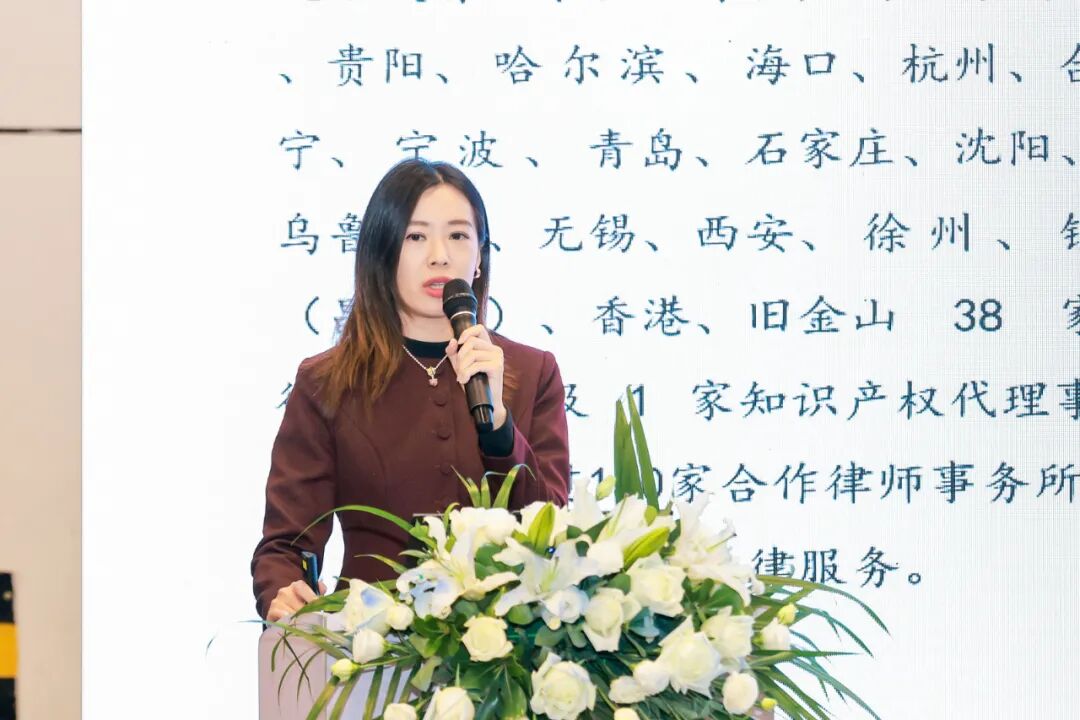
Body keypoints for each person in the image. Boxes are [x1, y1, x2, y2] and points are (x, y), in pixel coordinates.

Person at [251, 158, 571, 622]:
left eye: (458, 235)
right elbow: (287, 545)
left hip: (506, 649)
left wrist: (500, 426)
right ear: (382, 253)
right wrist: (284, 593)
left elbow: (551, 533)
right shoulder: (327, 382)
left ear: (480, 257)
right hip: (368, 649)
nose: (439, 255)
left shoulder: (532, 371)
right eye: (416, 237)